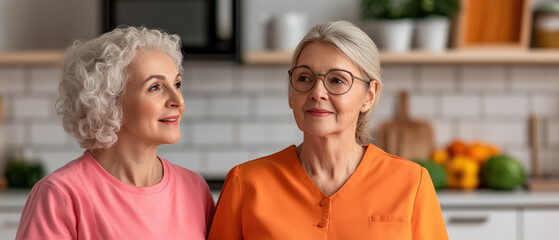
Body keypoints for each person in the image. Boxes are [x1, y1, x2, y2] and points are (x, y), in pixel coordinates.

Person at [208, 20, 448, 239]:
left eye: (337, 80)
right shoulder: (246, 183)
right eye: (304, 78)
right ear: (291, 94)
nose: (317, 92)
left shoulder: (412, 183)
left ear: (369, 95)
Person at [16, 27, 214, 239]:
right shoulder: (61, 195)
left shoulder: (194, 189)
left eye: (177, 84)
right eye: (155, 87)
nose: (178, 101)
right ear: (109, 101)